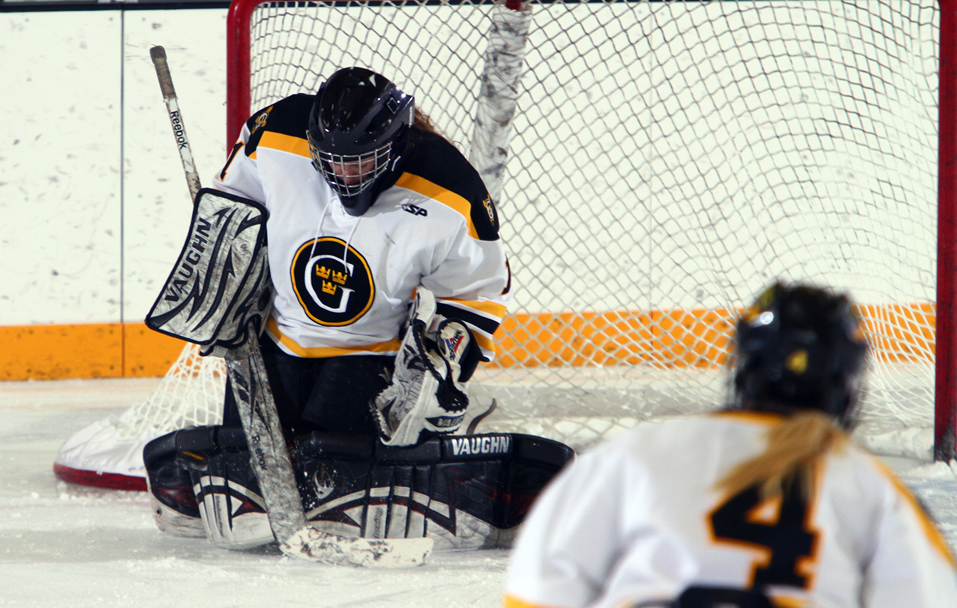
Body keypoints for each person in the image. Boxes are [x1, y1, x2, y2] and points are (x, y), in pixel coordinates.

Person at [142, 66, 574, 553]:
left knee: (334, 494)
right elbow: (235, 199)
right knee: (251, 493)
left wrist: (442, 358)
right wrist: (225, 268)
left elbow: (477, 293)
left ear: (396, 144)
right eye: (330, 161)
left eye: (361, 162)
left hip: (367, 358)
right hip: (271, 341)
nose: (344, 174)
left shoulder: (450, 189)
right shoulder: (277, 132)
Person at [503, 282, 957, 608]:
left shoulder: (637, 453)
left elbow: (537, 590)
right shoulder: (872, 489)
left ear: (742, 366)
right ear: (846, 385)